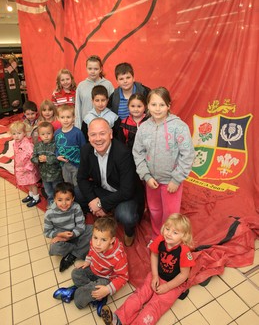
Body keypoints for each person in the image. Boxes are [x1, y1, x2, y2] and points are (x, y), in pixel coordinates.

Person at [101, 213, 195, 325]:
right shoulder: (161, 240)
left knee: (155, 305)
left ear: (184, 236)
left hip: (174, 283)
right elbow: (154, 255)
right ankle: (118, 319)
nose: (169, 234)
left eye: (175, 232)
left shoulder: (184, 251)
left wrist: (167, 286)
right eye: (167, 229)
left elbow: (184, 275)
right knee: (140, 294)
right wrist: (155, 275)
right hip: (158, 274)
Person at [133, 87, 195, 241]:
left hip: (171, 182)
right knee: (154, 210)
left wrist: (176, 179)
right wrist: (146, 176)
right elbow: (137, 152)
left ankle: (170, 240)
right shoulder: (144, 128)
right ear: (147, 106)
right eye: (153, 104)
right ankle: (157, 237)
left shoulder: (179, 127)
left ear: (168, 105)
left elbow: (188, 155)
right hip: (151, 181)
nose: (157, 109)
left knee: (170, 214)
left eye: (161, 105)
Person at [77, 117, 145, 247]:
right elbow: (81, 178)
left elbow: (127, 191)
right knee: (77, 191)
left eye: (102, 133)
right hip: (103, 189)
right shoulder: (86, 150)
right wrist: (93, 200)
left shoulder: (123, 153)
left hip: (124, 194)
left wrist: (101, 203)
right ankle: (100, 211)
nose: (98, 139)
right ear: (88, 136)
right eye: (93, 134)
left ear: (111, 134)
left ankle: (129, 232)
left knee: (126, 216)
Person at [53, 217, 128, 309]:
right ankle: (96, 296)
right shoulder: (94, 243)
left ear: (112, 240)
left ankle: (78, 293)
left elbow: (123, 277)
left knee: (79, 301)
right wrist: (87, 261)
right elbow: (91, 251)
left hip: (105, 279)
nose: (97, 243)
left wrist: (107, 289)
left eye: (103, 240)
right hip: (94, 270)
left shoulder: (118, 257)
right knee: (75, 273)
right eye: (95, 237)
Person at [44, 182, 93, 272]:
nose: (64, 203)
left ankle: (72, 254)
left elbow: (81, 226)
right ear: (54, 199)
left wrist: (70, 236)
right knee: (54, 248)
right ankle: (78, 251)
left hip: (75, 234)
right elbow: (47, 232)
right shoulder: (49, 213)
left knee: (91, 229)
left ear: (73, 199)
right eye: (60, 200)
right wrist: (60, 235)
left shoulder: (76, 207)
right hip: (61, 237)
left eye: (67, 199)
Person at [75, 55, 114, 129]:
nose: (92, 71)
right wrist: (78, 128)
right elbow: (78, 109)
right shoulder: (81, 86)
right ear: (86, 69)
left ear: (100, 69)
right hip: (87, 126)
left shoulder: (108, 84)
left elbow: (112, 106)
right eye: (90, 68)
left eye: (96, 69)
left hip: (105, 126)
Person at [9, 121, 40, 207]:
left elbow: (32, 156)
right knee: (27, 182)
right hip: (21, 167)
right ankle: (31, 195)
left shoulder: (27, 144)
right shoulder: (15, 143)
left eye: (19, 133)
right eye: (14, 134)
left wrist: (28, 167)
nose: (16, 136)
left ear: (24, 133)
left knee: (32, 183)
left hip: (28, 168)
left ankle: (36, 198)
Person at [31, 122, 63, 207]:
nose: (46, 136)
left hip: (56, 174)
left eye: (48, 133)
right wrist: (38, 159)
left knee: (58, 189)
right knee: (48, 190)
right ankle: (51, 201)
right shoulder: (37, 146)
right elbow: (33, 158)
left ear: (53, 133)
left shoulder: (56, 144)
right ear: (39, 135)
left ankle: (59, 202)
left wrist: (47, 159)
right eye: (43, 134)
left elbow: (60, 159)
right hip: (44, 175)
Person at [55, 104, 86, 189]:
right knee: (67, 184)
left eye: (68, 117)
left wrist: (83, 163)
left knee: (77, 184)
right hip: (64, 164)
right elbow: (56, 147)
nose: (65, 120)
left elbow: (84, 148)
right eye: (62, 117)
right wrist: (57, 156)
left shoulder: (78, 133)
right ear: (58, 118)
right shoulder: (57, 133)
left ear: (73, 118)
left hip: (76, 165)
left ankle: (78, 199)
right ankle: (70, 199)